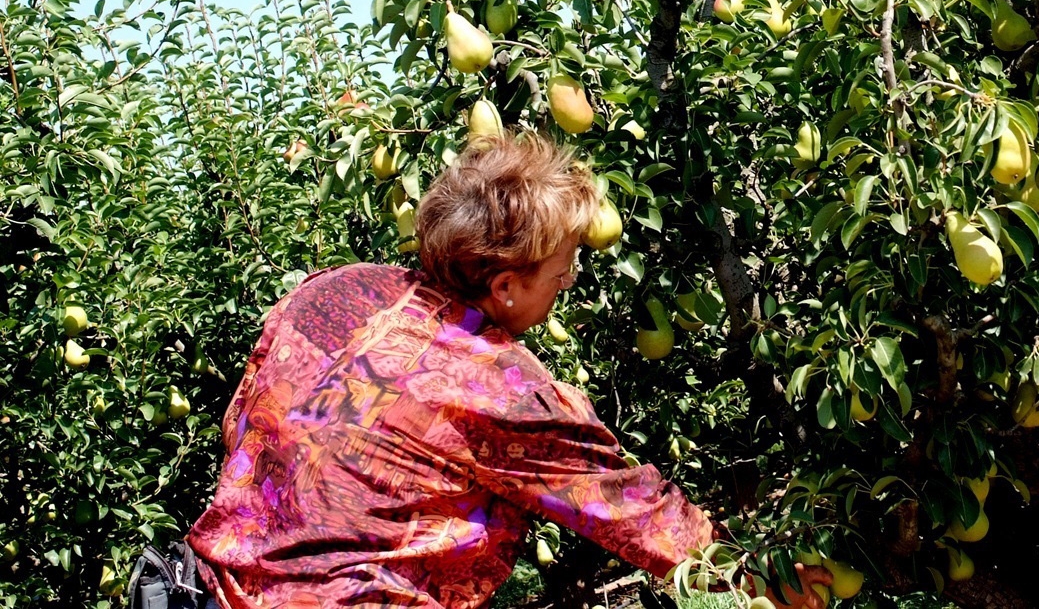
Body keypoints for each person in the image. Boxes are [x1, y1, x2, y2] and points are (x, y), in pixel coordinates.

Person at [185, 132, 830, 608]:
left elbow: (244, 425)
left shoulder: (332, 292)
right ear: (505, 287)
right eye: (561, 271)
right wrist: (763, 576)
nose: (570, 281)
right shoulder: (499, 386)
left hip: (215, 588)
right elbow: (635, 512)